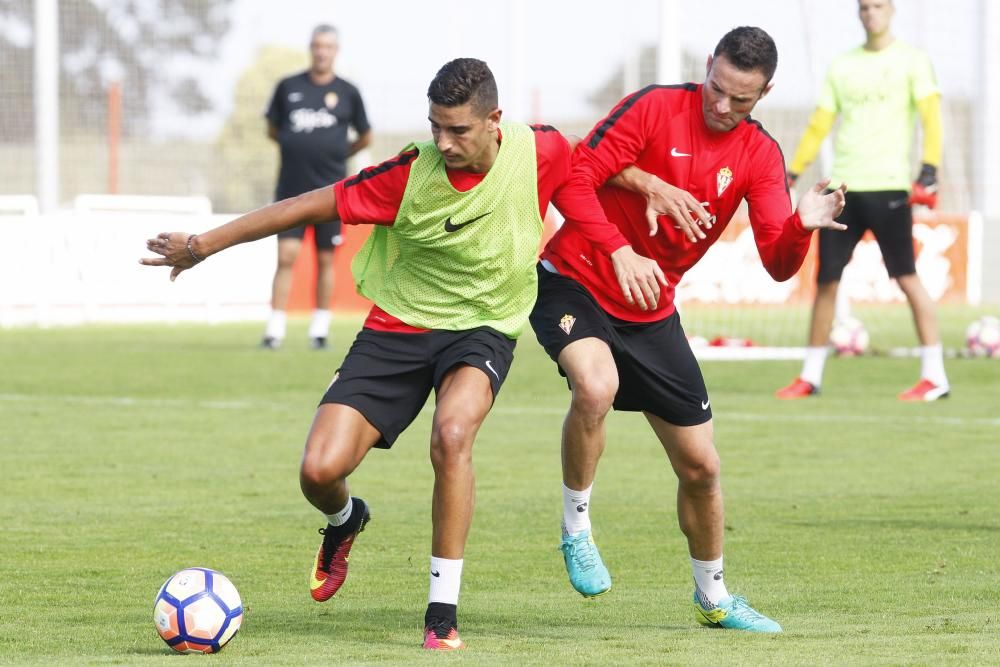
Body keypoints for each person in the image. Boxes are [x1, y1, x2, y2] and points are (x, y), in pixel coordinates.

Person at [141, 58, 589, 651]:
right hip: (397, 328)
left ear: (493, 120)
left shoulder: (539, 150)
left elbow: (598, 166)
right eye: (435, 127)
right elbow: (301, 207)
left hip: (483, 327)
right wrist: (203, 245)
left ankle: (441, 615)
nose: (443, 142)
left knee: (452, 436)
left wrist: (651, 188)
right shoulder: (407, 175)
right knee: (318, 471)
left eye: (457, 130)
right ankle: (345, 519)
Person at [528, 27, 847, 633]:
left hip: (651, 310)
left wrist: (802, 225)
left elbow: (780, 265)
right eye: (716, 89)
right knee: (595, 386)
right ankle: (576, 527)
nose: (722, 107)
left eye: (741, 100)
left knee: (702, 467)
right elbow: (576, 176)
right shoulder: (653, 106)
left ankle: (715, 599)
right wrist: (621, 247)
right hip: (574, 278)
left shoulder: (760, 155)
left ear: (765, 93)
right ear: (708, 67)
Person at [776, 0, 949, 401]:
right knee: (826, 282)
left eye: (878, 5)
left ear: (891, 10)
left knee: (907, 277)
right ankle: (811, 376)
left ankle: (935, 376)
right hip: (844, 190)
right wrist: (794, 170)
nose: (871, 13)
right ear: (859, 13)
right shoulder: (842, 65)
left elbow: (932, 117)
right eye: (864, 7)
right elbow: (821, 122)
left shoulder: (914, 61)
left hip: (890, 187)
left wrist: (930, 167)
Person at [261, 24, 372, 350]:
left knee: (326, 259)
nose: (321, 51)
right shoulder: (288, 87)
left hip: (331, 191)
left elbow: (365, 134)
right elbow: (272, 127)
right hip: (291, 190)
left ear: (335, 50)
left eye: (327, 46)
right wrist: (296, 146)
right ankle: (274, 330)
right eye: (316, 45)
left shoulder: (348, 92)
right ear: (311, 48)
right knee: (286, 256)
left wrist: (340, 154)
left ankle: (319, 329)